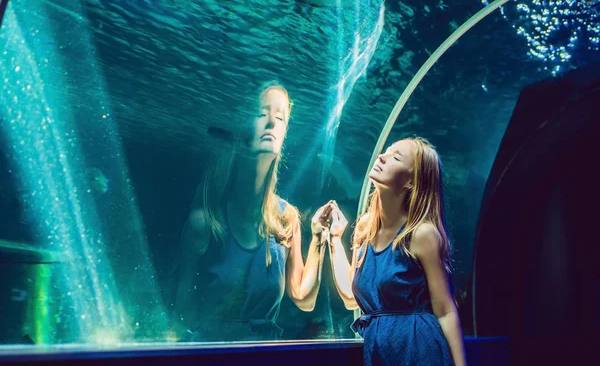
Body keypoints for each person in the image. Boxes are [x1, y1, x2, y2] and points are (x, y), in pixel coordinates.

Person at [172, 82, 328, 342]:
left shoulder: (286, 219)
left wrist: (320, 239)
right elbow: (181, 312)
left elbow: (304, 299)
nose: (271, 122)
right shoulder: (206, 223)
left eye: (280, 117)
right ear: (240, 127)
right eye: (261, 113)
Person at [323, 137, 467, 365]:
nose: (382, 157)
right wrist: (334, 239)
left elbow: (445, 310)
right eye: (387, 151)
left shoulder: (422, 234)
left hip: (420, 351)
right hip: (381, 353)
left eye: (395, 157)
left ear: (411, 182)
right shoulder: (365, 229)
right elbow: (351, 297)